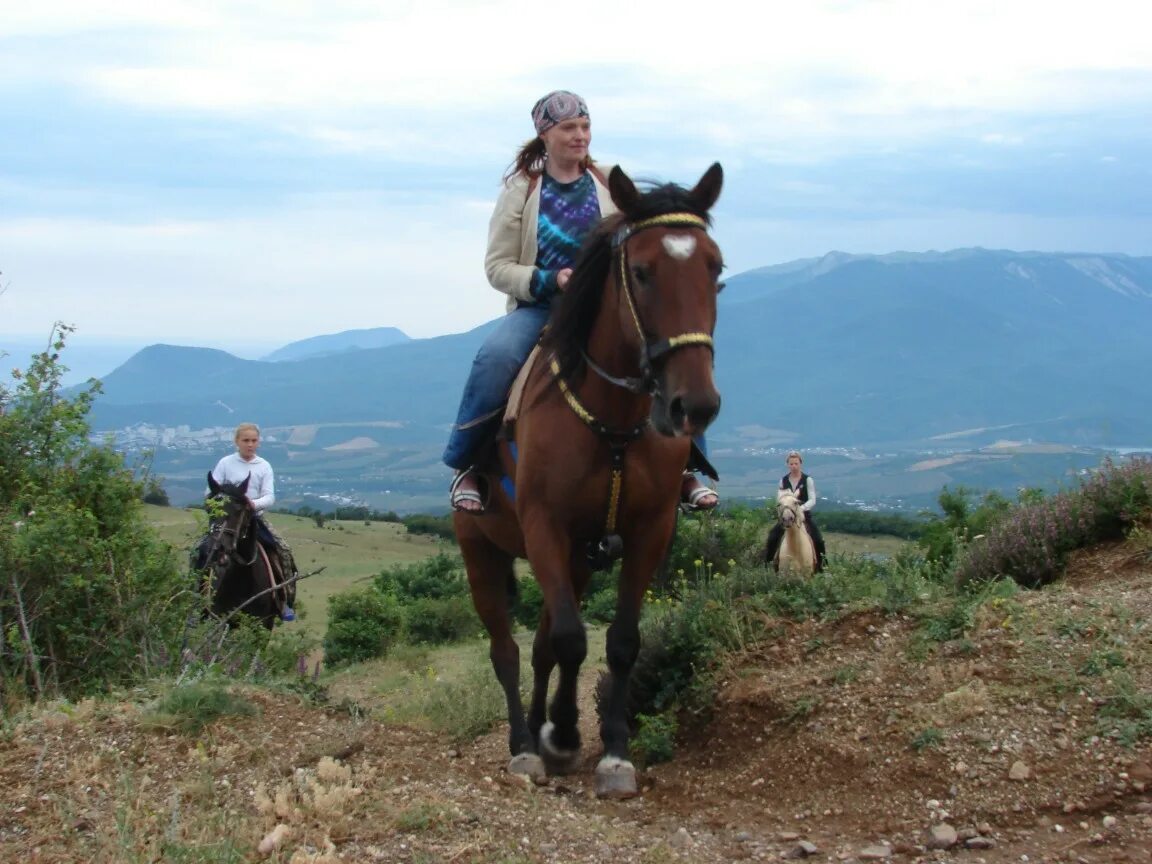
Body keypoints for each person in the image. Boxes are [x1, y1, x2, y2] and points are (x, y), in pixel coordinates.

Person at [443, 89, 719, 514]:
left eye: (585, 127)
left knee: (676, 350)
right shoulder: (522, 191)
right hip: (542, 306)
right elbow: (497, 267)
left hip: (606, 308)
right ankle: (470, 463)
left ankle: (686, 464)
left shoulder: (610, 181)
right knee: (495, 357)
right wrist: (549, 279)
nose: (580, 136)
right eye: (569, 128)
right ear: (545, 135)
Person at [207, 422, 297, 621]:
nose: (250, 444)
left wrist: (251, 504)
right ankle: (198, 601)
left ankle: (285, 601)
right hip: (227, 520)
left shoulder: (263, 466)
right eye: (245, 440)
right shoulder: (225, 463)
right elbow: (211, 492)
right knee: (202, 549)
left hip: (253, 518)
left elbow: (269, 496)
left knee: (283, 549)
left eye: (254, 441)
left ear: (259, 443)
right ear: (237, 442)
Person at [763, 450, 826, 570]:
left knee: (818, 540)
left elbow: (812, 500)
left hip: (804, 517)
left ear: (800, 464)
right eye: (791, 464)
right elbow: (779, 499)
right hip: (786, 516)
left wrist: (800, 508)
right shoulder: (783, 481)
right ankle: (768, 565)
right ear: (788, 465)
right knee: (772, 537)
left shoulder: (808, 480)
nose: (794, 466)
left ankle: (822, 567)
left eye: (796, 463)